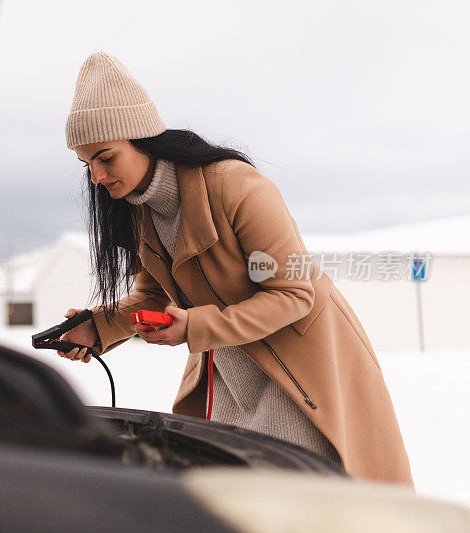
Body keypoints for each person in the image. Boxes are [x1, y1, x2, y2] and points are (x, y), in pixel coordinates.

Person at [56, 51, 413, 487]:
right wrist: (98, 328)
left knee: (294, 504)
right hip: (228, 373)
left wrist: (194, 325)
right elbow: (152, 296)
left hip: (299, 370)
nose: (95, 176)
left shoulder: (235, 185)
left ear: (142, 138)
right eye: (86, 164)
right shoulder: (139, 211)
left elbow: (295, 293)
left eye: (105, 157)